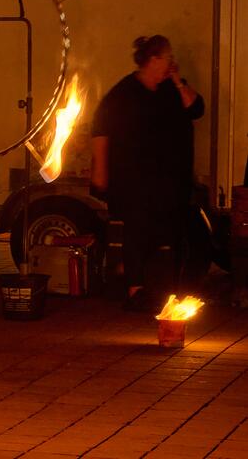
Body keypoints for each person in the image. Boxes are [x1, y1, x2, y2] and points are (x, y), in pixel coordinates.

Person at [92, 35, 204, 312]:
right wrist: (100, 172)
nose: (172, 62)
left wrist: (177, 81)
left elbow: (196, 109)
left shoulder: (171, 88)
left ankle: (169, 288)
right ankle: (135, 289)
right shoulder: (124, 93)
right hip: (135, 178)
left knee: (172, 231)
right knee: (137, 229)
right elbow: (101, 129)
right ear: (154, 59)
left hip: (171, 178)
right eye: (168, 57)